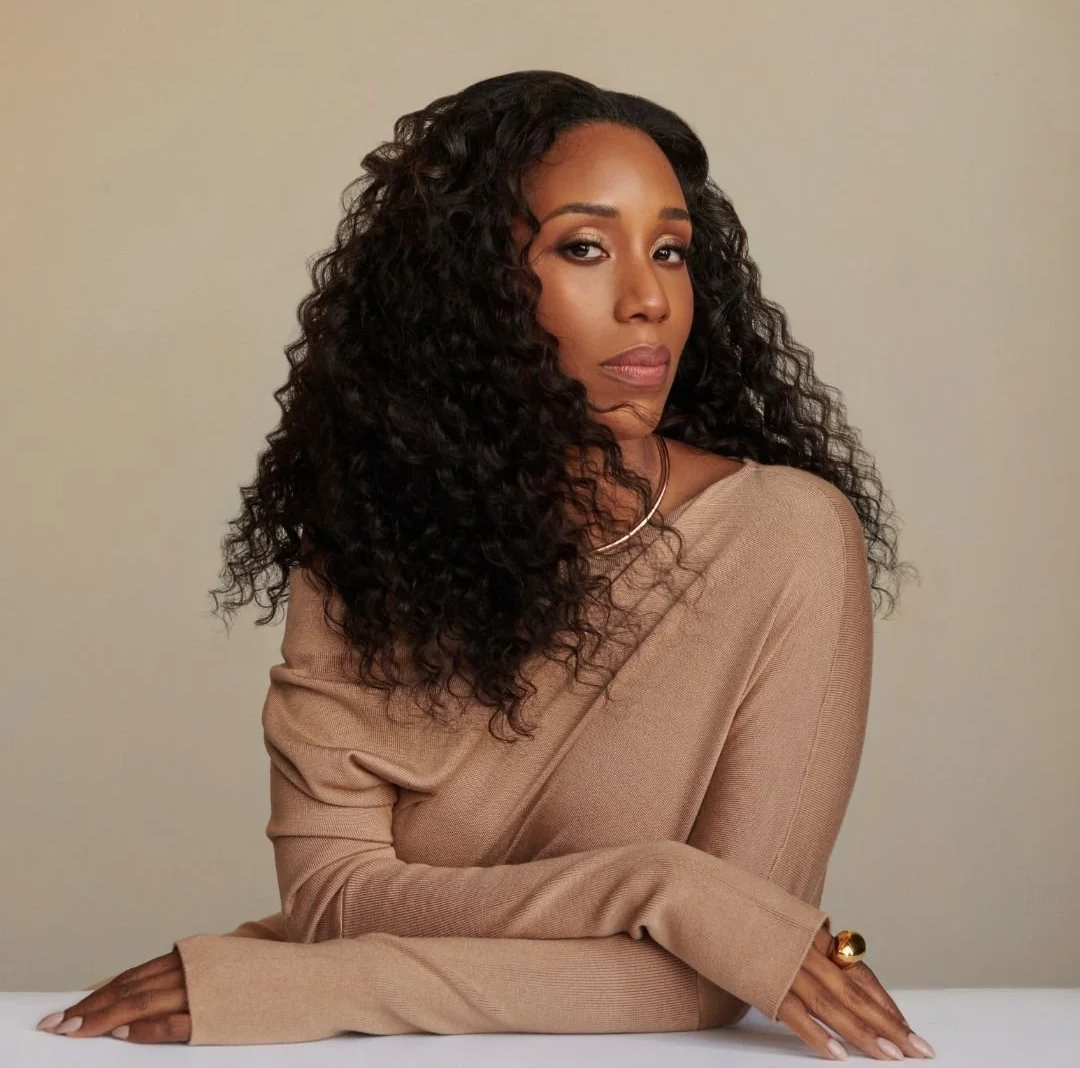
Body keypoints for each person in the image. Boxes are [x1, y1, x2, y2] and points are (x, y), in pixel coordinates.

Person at [39, 70, 929, 1061]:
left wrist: (327, 985)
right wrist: (663, 887)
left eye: (671, 251)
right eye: (584, 248)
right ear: (469, 288)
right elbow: (333, 896)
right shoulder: (365, 546)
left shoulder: (789, 537)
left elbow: (721, 969)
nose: (648, 301)